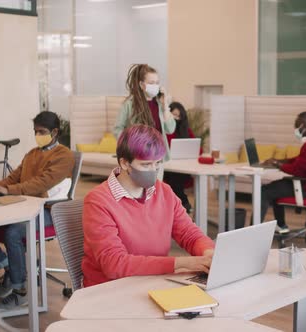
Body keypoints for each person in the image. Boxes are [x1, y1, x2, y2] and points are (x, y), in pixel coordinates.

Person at [81, 125, 215, 287]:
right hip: (111, 288)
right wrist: (180, 263)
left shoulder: (164, 191)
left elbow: (190, 234)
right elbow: (114, 264)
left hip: (154, 281)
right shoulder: (98, 201)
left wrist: (208, 253)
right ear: (124, 163)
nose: (154, 171)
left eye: (157, 163)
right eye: (146, 165)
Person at [0, 111, 75, 309]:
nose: (37, 135)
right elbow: (13, 178)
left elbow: (41, 183)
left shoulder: (64, 156)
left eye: (41, 131)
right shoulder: (32, 154)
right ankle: (9, 267)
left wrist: (8, 190)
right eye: (35, 131)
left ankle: (20, 290)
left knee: (13, 232)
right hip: (22, 206)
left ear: (54, 132)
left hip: (48, 211)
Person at [260, 112, 306, 234]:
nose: (296, 130)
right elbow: (300, 159)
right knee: (275, 187)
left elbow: (297, 170)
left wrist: (277, 165)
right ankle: (281, 226)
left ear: (304, 126)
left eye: (297, 127)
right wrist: (279, 161)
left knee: (264, 191)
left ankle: (252, 231)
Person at [113, 64, 176, 162]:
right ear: (142, 85)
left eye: (157, 83)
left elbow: (170, 129)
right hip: (138, 156)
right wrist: (131, 147)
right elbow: (117, 129)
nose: (155, 86)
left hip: (158, 156)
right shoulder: (129, 104)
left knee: (157, 178)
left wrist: (165, 106)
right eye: (151, 83)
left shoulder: (159, 103)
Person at [164, 101, 199, 213]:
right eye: (173, 115)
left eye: (178, 116)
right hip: (168, 167)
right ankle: (184, 204)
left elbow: (197, 148)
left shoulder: (186, 130)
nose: (176, 118)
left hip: (184, 168)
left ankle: (181, 206)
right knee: (174, 180)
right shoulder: (166, 129)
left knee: (176, 180)